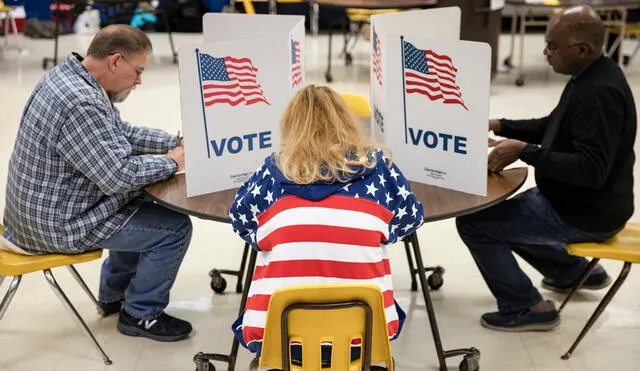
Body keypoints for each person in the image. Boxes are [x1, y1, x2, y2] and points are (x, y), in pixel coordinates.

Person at [2, 25, 193, 342]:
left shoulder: (69, 77)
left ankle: (113, 296)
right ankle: (140, 314)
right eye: (137, 71)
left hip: (31, 216)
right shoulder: (82, 103)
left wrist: (177, 142)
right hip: (54, 226)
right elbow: (117, 177)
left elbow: (121, 134)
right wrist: (173, 162)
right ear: (116, 61)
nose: (139, 81)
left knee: (140, 204)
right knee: (173, 229)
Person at [456, 5, 636, 332]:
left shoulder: (600, 94)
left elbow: (591, 169)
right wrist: (501, 125)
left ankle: (527, 306)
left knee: (475, 224)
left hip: (586, 213)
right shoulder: (591, 74)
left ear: (581, 50)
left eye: (552, 46)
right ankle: (573, 271)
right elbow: (555, 125)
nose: (545, 52)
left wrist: (526, 152)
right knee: (501, 214)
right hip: (578, 200)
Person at [228, 85, 424, 363]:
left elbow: (242, 222)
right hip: (365, 339)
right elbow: (410, 220)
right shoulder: (381, 168)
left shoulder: (271, 172)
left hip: (282, 341)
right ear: (346, 121)